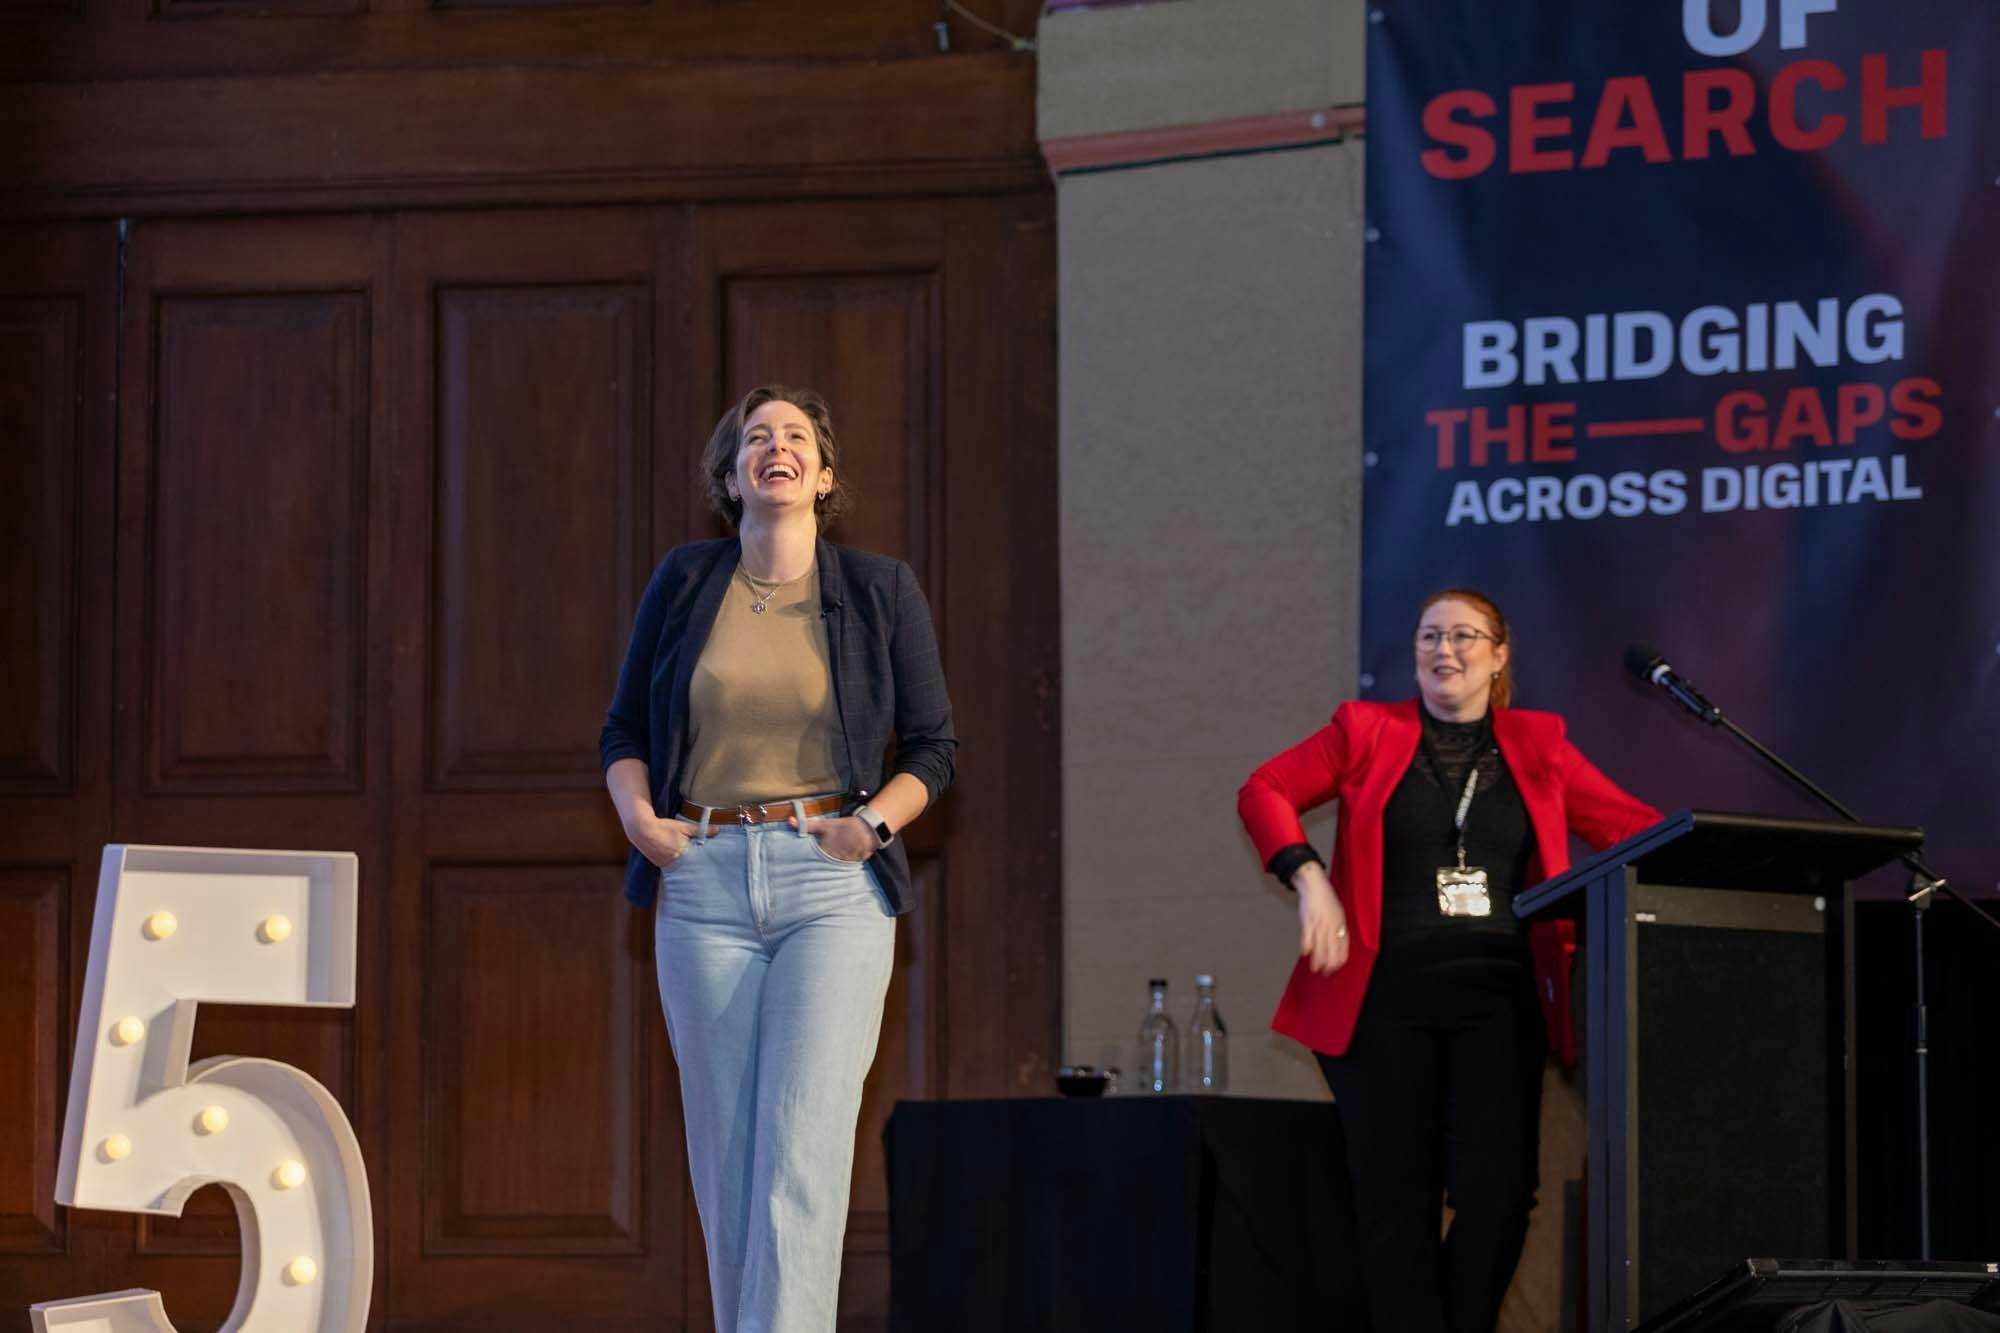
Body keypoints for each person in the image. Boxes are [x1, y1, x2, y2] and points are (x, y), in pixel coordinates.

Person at [599, 385, 955, 1333]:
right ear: (731, 476)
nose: (776, 447)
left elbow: (933, 747)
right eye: (756, 438)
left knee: (798, 1155)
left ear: (824, 475)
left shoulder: (880, 589)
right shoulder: (683, 581)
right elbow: (625, 728)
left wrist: (867, 828)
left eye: (796, 436)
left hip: (828, 883)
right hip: (704, 879)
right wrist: (638, 815)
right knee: (728, 1165)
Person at [1236, 589, 1658, 1333]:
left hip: (1500, 997)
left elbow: (1631, 826)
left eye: (1465, 635)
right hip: (1381, 1002)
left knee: (1500, 1196)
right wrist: (1308, 879)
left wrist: (1724, 854)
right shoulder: (1366, 728)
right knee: (1396, 1203)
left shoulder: (1540, 744)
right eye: (1431, 635)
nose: (1444, 649)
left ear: (1499, 657)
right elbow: (1264, 789)